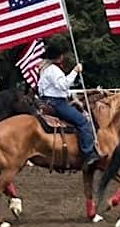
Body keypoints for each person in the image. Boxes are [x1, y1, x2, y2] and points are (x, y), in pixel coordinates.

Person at [37, 40, 99, 168]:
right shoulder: (53, 70)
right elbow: (63, 84)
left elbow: (60, 88)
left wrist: (73, 98)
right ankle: (89, 153)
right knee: (83, 121)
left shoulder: (46, 69)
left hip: (51, 100)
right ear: (59, 57)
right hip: (57, 103)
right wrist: (75, 71)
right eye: (62, 55)